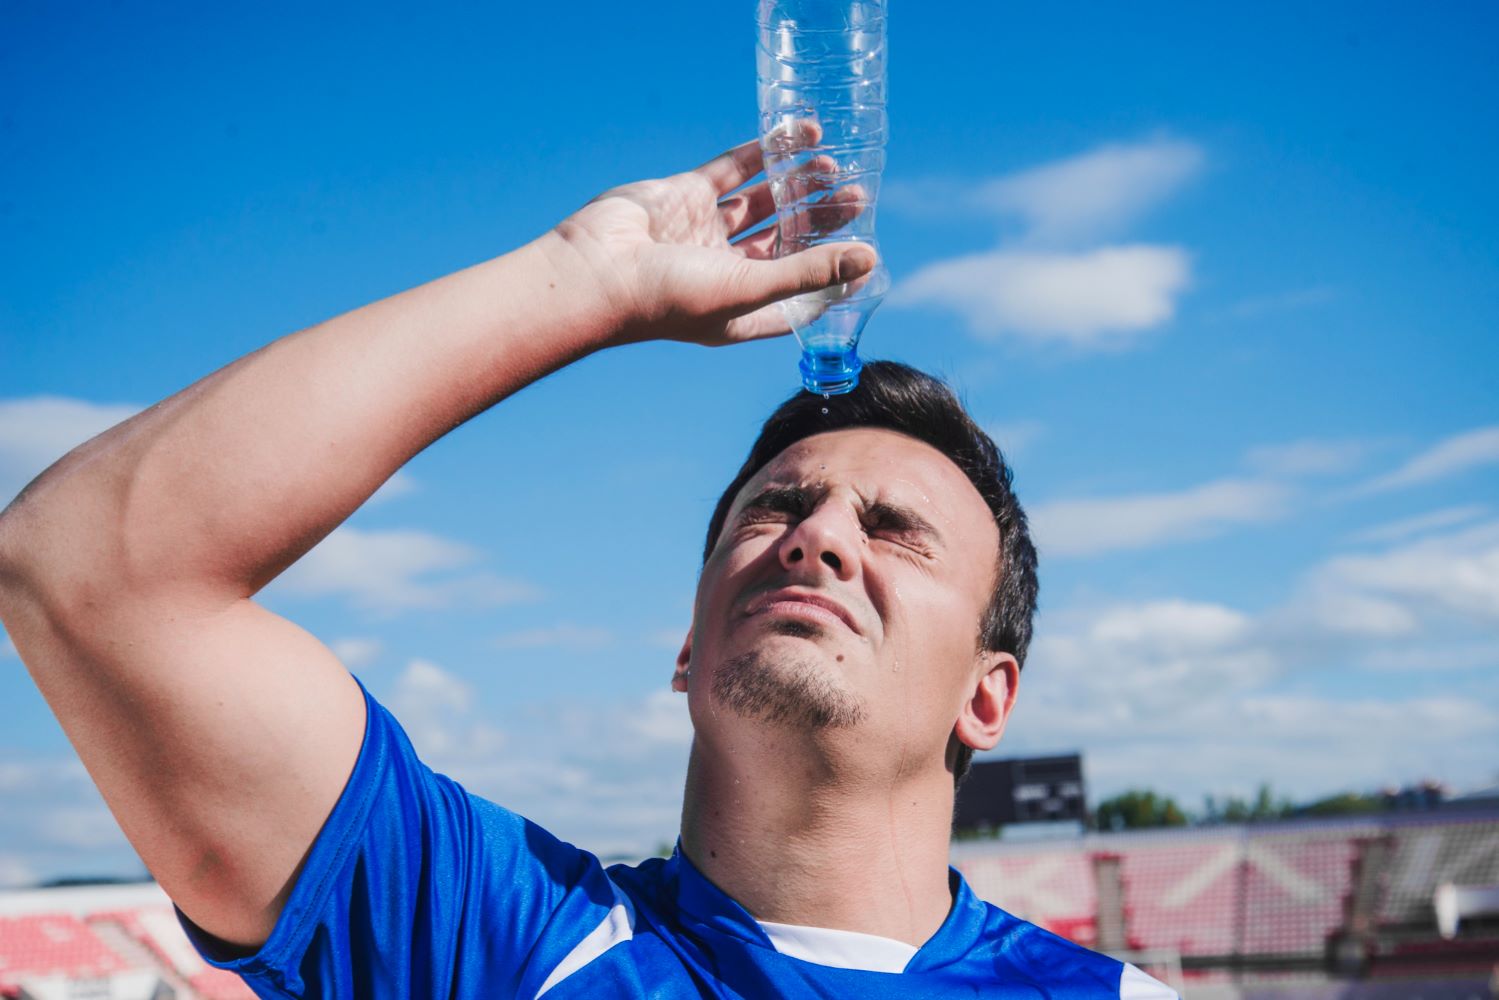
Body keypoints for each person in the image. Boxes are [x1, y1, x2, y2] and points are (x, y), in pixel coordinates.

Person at [0, 137, 1176, 999]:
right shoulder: (497, 939)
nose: (816, 537)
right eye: (773, 509)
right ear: (686, 647)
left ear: (989, 692)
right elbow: (85, 565)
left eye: (893, 528)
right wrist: (580, 281)